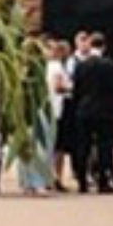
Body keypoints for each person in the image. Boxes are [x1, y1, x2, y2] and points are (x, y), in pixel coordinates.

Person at [71, 31, 113, 193]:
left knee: (84, 146)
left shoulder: (81, 65)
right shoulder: (108, 65)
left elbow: (77, 89)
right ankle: (103, 180)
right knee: (104, 146)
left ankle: (82, 181)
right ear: (104, 46)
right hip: (103, 111)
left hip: (84, 110)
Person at [45, 38, 75, 190]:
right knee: (58, 147)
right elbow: (58, 86)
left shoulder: (43, 67)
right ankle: (57, 176)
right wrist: (70, 87)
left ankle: (47, 176)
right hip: (57, 109)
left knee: (48, 144)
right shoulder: (57, 67)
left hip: (46, 108)